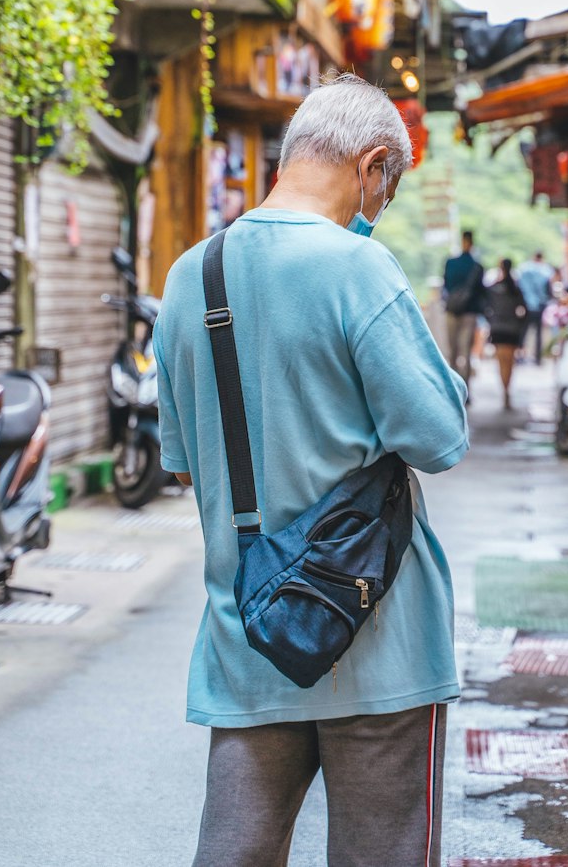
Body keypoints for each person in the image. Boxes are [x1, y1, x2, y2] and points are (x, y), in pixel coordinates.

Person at [154, 74, 469, 867]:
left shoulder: (193, 276)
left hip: (250, 633)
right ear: (373, 168)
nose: (380, 208)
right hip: (379, 636)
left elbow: (186, 466)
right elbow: (438, 437)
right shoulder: (359, 269)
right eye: (386, 191)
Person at [442, 229, 486, 387]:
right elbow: (482, 292)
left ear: (462, 241)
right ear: (472, 243)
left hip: (452, 310)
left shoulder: (450, 263)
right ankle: (466, 388)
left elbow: (446, 284)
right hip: (470, 312)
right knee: (466, 351)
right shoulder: (477, 267)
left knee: (452, 351)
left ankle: (453, 386)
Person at [484, 259, 528, 411]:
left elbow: (485, 308)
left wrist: (492, 320)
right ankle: (507, 391)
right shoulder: (515, 289)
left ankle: (505, 391)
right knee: (510, 363)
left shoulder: (493, 289)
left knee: (501, 362)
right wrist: (519, 323)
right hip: (512, 329)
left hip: (497, 329)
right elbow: (525, 310)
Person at [516, 250, 554, 363]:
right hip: (540, 306)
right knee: (538, 333)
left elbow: (518, 286)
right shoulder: (546, 270)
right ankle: (537, 358)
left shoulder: (524, 268)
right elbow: (549, 289)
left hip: (526, 304)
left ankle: (520, 356)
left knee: (523, 332)